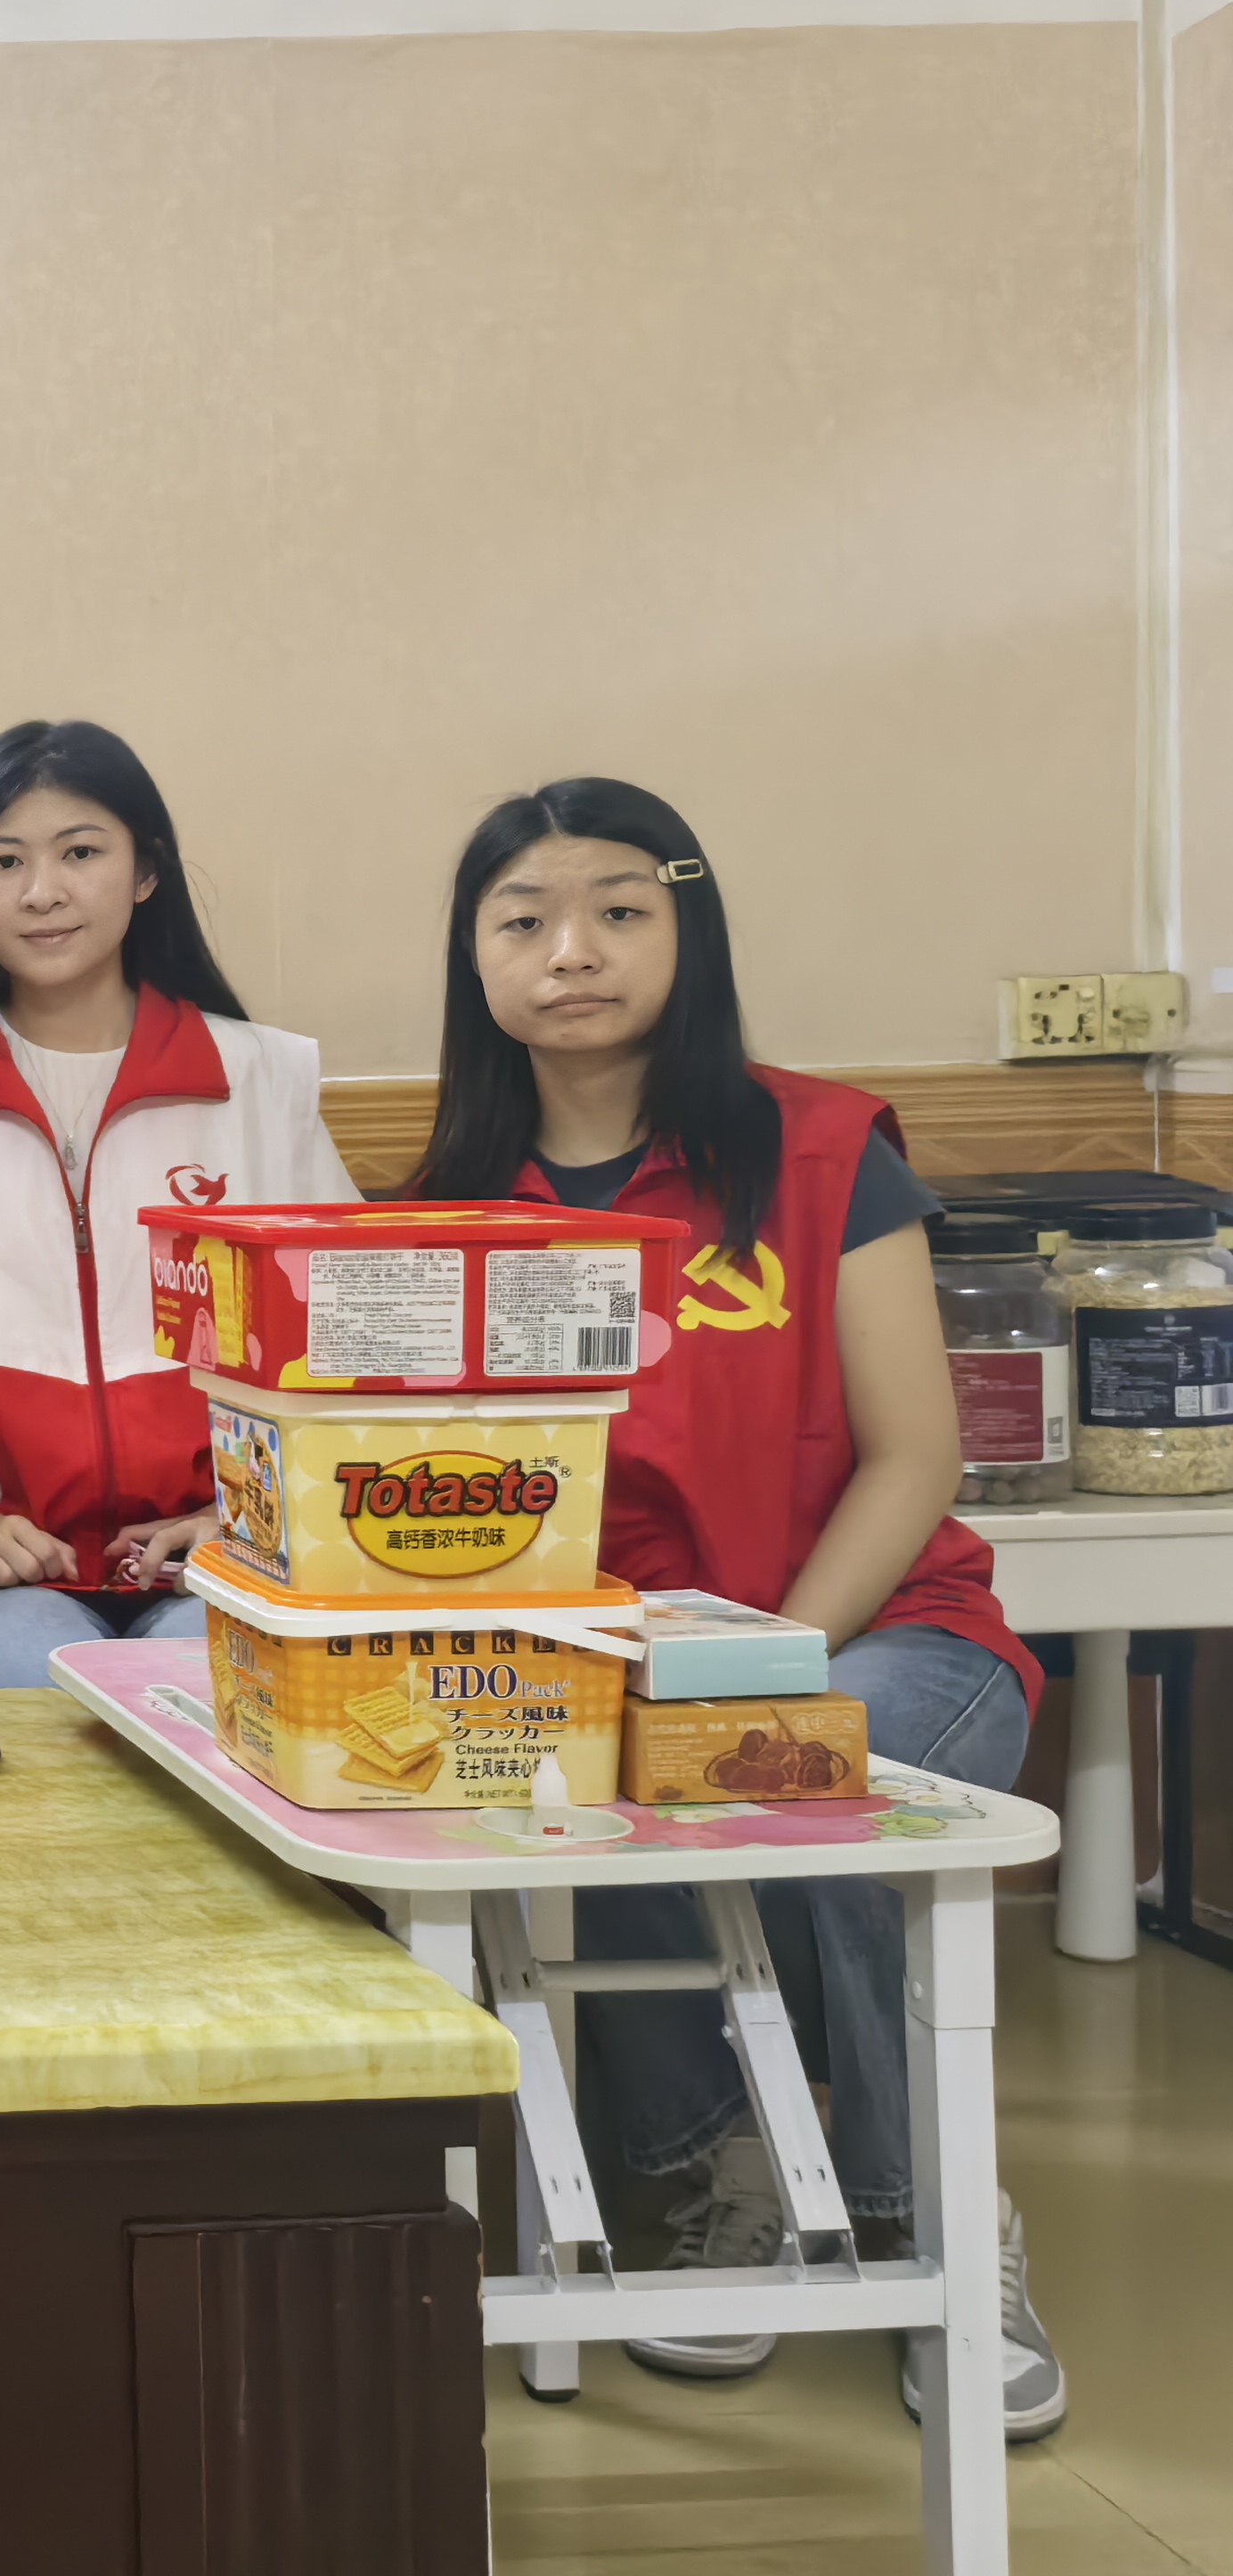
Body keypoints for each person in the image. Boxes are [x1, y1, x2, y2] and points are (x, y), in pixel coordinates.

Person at [409, 776, 1058, 2436]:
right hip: (615, 1662)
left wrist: (764, 1670)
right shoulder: (446, 1208)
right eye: (524, 919)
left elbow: (914, 1457)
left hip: (888, 1628)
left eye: (620, 911)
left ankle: (935, 2213)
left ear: (687, 932)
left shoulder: (823, 1149)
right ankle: (717, 2173)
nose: (572, 951)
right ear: (474, 959)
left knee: (812, 1768)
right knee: (588, 1764)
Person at [0, 721, 354, 1687]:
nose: (42, 892)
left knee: (198, 1686)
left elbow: (341, 1342)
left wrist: (242, 1517)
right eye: (3, 861)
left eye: (80, 853)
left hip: (223, 1552)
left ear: (145, 872)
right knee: (32, 1682)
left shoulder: (261, 1081)